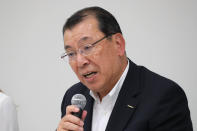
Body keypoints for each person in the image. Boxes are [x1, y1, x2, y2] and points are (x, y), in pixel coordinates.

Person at [57, 6, 193, 131]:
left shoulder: (163, 97)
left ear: (118, 44)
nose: (80, 62)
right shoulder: (73, 96)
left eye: (87, 47)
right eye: (71, 54)